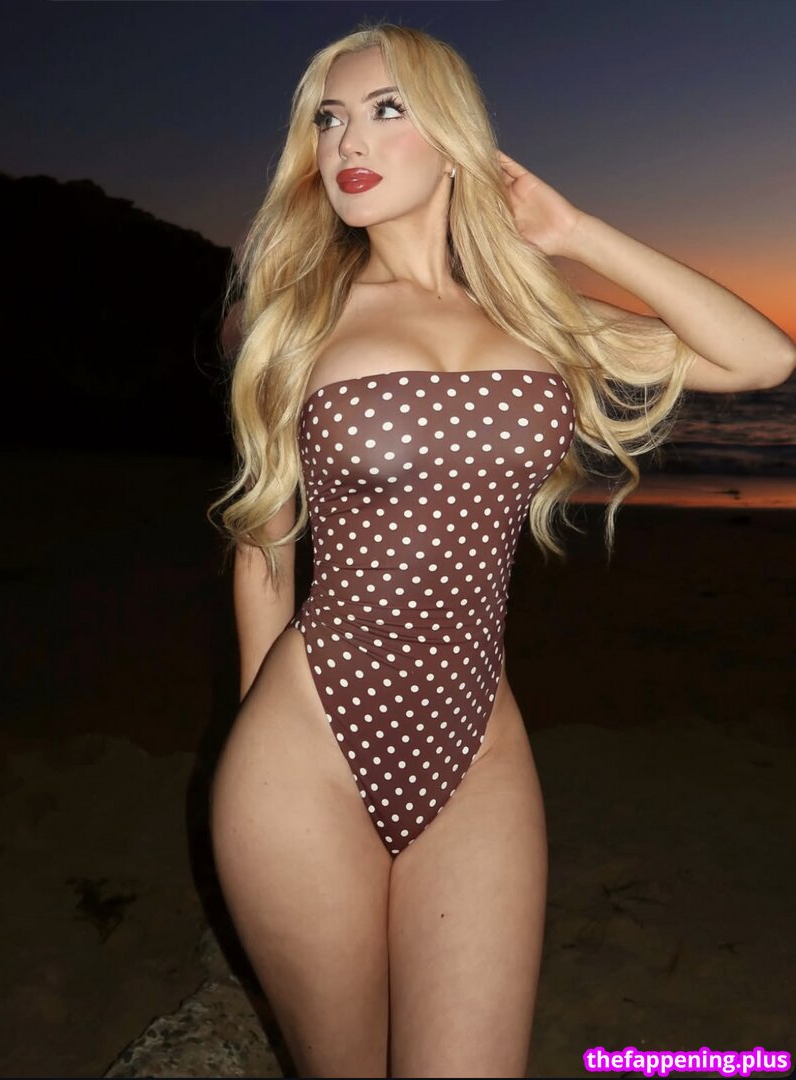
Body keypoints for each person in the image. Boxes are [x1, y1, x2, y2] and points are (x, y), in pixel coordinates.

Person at [207, 21, 795, 1079]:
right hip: (303, 751)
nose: (349, 140)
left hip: (477, 748)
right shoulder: (289, 318)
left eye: (386, 110)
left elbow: (759, 360)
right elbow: (263, 554)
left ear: (453, 139)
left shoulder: (536, 317)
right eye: (329, 119)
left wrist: (573, 231)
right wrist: (255, 742)